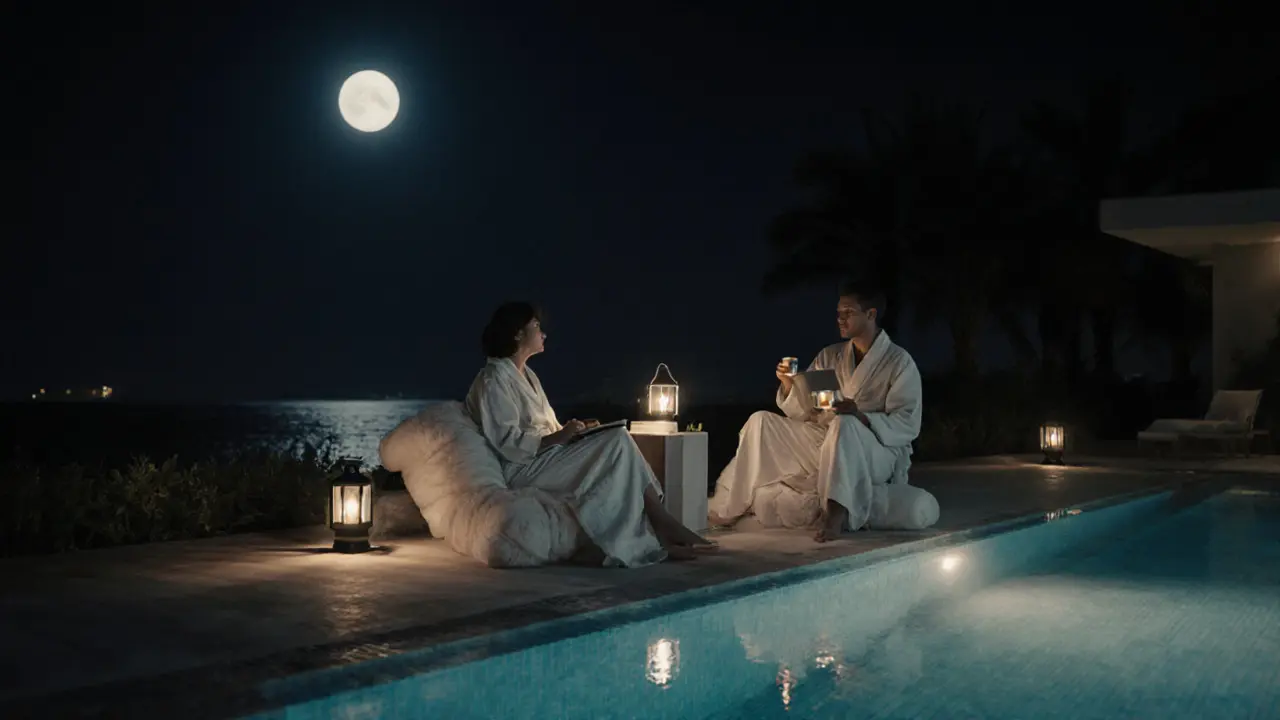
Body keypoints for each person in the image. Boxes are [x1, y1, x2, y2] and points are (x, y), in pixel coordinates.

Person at [465, 301, 716, 567]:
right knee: (618, 441)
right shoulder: (494, 379)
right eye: (536, 326)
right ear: (517, 333)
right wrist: (563, 437)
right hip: (524, 466)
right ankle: (658, 529)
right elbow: (508, 443)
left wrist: (574, 430)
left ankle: (659, 527)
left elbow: (544, 428)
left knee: (618, 440)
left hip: (546, 455)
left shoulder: (527, 376)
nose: (543, 333)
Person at [708, 280, 923, 542]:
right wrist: (789, 384)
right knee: (760, 421)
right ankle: (733, 504)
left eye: (848, 313)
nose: (840, 319)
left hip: (873, 450)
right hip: (825, 439)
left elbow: (907, 423)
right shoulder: (830, 355)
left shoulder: (899, 362)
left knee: (845, 424)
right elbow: (804, 412)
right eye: (838, 313)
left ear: (871, 314)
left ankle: (836, 511)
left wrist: (860, 416)